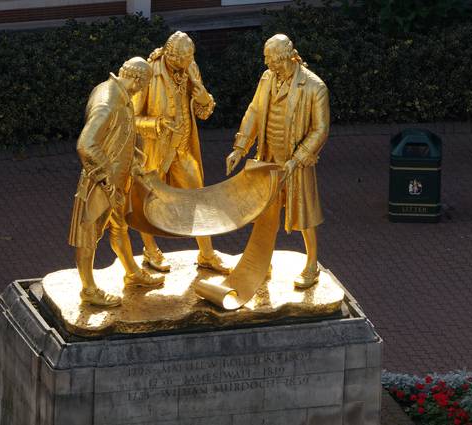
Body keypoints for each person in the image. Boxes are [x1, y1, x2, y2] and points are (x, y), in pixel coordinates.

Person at [225, 34, 330, 288]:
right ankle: (263, 261)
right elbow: (255, 111)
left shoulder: (315, 87)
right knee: (265, 214)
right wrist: (240, 148)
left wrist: (298, 158)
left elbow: (320, 129)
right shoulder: (267, 78)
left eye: (273, 61)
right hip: (268, 159)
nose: (270, 66)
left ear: (287, 57)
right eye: (268, 61)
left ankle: (312, 263)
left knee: (305, 215)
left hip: (296, 163)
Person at [68, 56, 164, 307]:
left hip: (118, 181)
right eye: (144, 83)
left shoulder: (118, 94)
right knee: (88, 233)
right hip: (100, 183)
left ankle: (132, 272)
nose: (144, 89)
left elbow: (121, 136)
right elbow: (86, 144)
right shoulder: (109, 101)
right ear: (137, 79)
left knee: (119, 225)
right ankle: (88, 288)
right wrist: (107, 179)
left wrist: (134, 165)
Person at [132, 31, 231, 274]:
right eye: (183, 60)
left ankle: (206, 253)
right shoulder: (148, 73)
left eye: (190, 59)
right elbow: (130, 118)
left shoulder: (190, 68)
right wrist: (156, 124)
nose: (187, 65)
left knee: (198, 199)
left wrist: (205, 98)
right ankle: (150, 250)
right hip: (155, 150)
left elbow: (204, 112)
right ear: (171, 55)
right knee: (147, 201)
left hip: (183, 149)